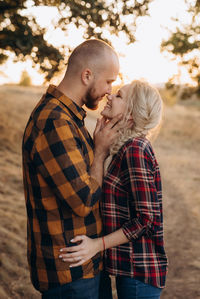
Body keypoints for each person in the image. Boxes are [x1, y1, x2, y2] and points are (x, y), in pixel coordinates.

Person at [22, 39, 122, 299]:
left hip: (84, 268)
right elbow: (84, 200)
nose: (110, 91)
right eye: (109, 81)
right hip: (69, 275)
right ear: (87, 75)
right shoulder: (55, 121)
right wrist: (100, 152)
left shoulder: (69, 117)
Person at [59, 80, 168, 299]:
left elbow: (146, 219)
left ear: (130, 115)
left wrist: (97, 245)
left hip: (139, 272)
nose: (109, 95)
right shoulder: (126, 148)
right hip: (129, 271)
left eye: (118, 96)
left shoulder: (135, 149)